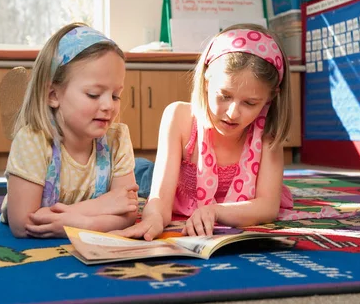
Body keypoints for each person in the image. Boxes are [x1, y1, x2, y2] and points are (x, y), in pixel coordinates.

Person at [116, 23, 302, 241]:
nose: (232, 113)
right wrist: (154, 218)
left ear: (270, 97)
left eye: (250, 103)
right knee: (140, 173)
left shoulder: (268, 133)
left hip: (207, 198)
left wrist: (215, 211)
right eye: (224, 96)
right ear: (206, 81)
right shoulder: (178, 116)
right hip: (177, 183)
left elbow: (267, 207)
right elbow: (160, 198)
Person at [0, 22, 139, 238]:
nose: (109, 106)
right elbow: (24, 223)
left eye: (115, 95)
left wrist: (79, 222)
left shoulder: (117, 139)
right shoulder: (32, 140)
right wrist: (101, 207)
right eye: (93, 94)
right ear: (53, 95)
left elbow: (128, 213)